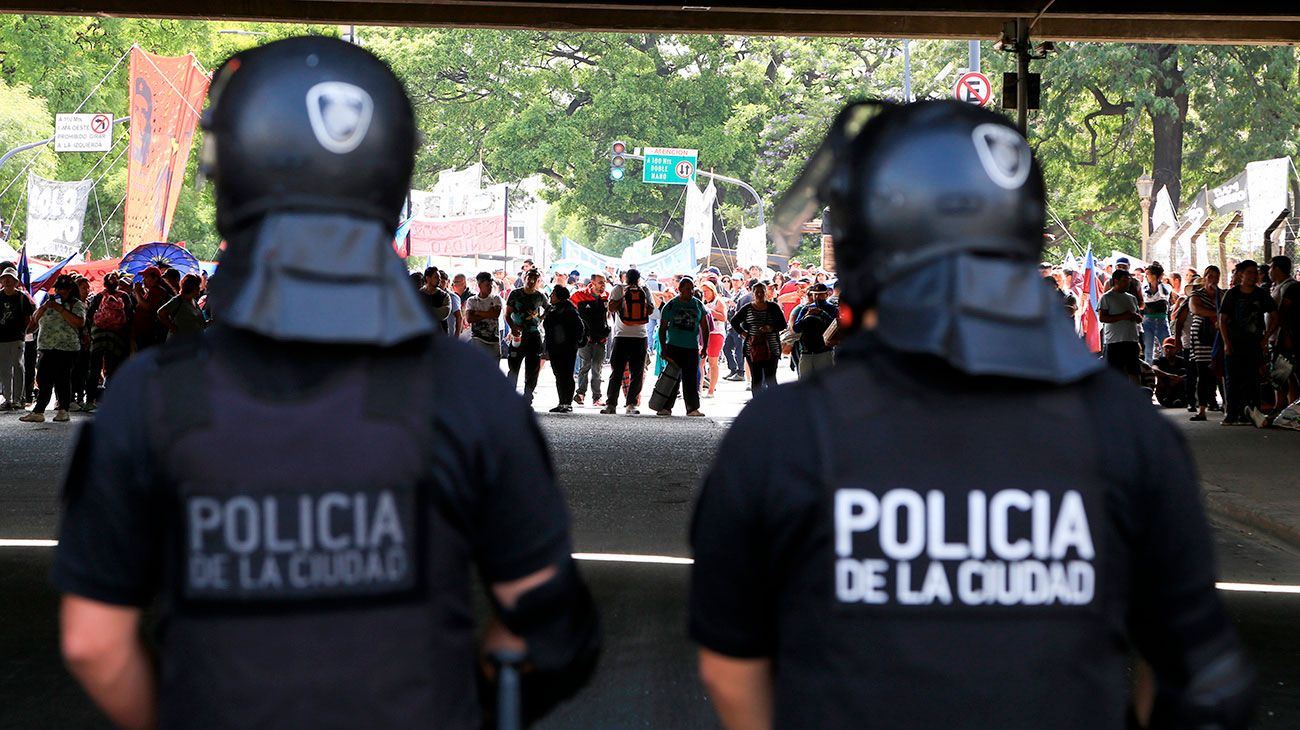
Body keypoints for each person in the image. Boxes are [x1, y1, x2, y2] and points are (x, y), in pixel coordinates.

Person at [53, 36, 598, 730]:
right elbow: (552, 628)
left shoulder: (153, 397)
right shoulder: (462, 390)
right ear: (393, 174)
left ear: (228, 174)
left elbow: (93, 643)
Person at [691, 100, 1253, 730]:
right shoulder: (1129, 432)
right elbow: (1196, 674)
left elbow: (731, 665)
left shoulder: (781, 435)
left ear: (870, 242)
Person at [20, 274, 85, 423]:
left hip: (66, 348)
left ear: (71, 290)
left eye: (64, 289)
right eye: (58, 289)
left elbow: (79, 322)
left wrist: (61, 309)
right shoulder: (48, 304)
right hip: (46, 346)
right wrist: (44, 308)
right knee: (43, 378)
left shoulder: (76, 304)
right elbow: (33, 323)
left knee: (62, 379)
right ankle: (39, 412)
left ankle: (63, 410)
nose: (60, 291)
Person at [1218, 259, 1276, 425]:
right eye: (1249, 272)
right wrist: (1226, 342)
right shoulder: (1232, 294)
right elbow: (1222, 320)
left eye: (1255, 273)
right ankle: (1231, 413)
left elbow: (1275, 316)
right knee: (1233, 379)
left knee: (1253, 379)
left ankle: (1253, 413)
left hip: (1254, 343)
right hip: (1234, 342)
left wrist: (1265, 339)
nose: (1253, 276)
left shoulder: (1261, 294)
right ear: (1241, 274)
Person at [657, 277, 711, 417]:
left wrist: (705, 347)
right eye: (687, 288)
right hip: (674, 346)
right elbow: (662, 329)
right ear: (680, 289)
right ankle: (666, 407)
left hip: (691, 348)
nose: (691, 291)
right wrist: (663, 348)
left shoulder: (698, 305)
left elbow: (705, 328)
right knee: (671, 379)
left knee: (691, 379)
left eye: (692, 288)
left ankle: (692, 408)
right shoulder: (671, 305)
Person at [603, 268, 653, 415]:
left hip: (621, 335)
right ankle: (631, 404)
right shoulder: (645, 289)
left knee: (616, 371)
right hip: (640, 336)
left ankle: (611, 404)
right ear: (639, 279)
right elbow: (650, 310)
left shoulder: (618, 289)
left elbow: (611, 308)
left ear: (625, 278)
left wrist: (623, 297)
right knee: (637, 372)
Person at [84, 271, 134, 411]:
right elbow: (130, 316)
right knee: (113, 369)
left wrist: (90, 332)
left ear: (104, 283)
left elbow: (89, 315)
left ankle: (90, 400)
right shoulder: (124, 296)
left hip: (98, 336)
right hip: (116, 337)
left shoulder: (99, 296)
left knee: (94, 368)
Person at [730, 280, 786, 392]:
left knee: (771, 378)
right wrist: (743, 333)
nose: (759, 294)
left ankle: (775, 404)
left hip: (772, 347)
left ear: (766, 293)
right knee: (756, 379)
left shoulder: (773, 307)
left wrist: (771, 328)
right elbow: (734, 321)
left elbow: (783, 324)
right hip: (753, 348)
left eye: (762, 291)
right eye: (757, 292)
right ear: (753, 293)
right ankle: (757, 405)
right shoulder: (747, 308)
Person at [505, 268, 548, 406]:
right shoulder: (515, 294)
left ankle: (528, 396)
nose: (531, 281)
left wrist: (540, 319)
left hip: (534, 335)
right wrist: (513, 327)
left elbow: (548, 309)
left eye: (535, 279)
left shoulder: (540, 296)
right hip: (518, 335)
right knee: (513, 367)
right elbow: (507, 314)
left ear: (538, 281)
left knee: (533, 368)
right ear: (524, 278)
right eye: (529, 278)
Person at [1188, 266, 1224, 421]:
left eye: (1216, 276)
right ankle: (1202, 409)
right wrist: (1216, 315)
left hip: (1218, 335)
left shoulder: (1222, 294)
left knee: (1220, 371)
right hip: (1201, 336)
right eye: (1210, 276)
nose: (1213, 279)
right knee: (1203, 372)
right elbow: (1196, 309)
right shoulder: (1196, 294)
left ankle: (1226, 406)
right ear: (1205, 277)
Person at [543, 284, 584, 413]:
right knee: (559, 375)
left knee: (566, 374)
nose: (550, 296)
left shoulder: (569, 309)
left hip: (566, 348)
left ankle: (567, 402)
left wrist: (572, 341)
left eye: (553, 294)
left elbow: (579, 328)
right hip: (555, 347)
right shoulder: (552, 309)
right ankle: (562, 402)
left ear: (559, 296)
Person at [1098, 268, 1143, 385]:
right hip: (1114, 341)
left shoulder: (1132, 298)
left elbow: (1137, 317)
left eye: (1128, 280)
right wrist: (1123, 316)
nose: (1127, 283)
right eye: (1124, 280)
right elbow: (1103, 318)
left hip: (1131, 339)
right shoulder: (1106, 297)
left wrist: (1136, 318)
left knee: (1134, 371)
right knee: (1114, 373)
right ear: (1116, 281)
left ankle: (1136, 398)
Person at [571, 272, 610, 407]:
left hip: (601, 338)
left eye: (604, 282)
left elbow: (609, 314)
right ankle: (580, 394)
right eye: (600, 282)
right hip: (585, 339)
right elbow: (570, 311)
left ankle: (596, 398)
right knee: (585, 366)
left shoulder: (606, 296)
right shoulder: (579, 295)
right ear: (592, 283)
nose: (603, 285)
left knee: (597, 368)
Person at [0, 266, 35, 409]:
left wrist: (24, 333)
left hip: (17, 338)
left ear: (16, 282)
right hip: (1, 338)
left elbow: (30, 318)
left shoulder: (22, 297)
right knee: (3, 369)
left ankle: (18, 399)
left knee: (18, 367)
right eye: (4, 278)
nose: (7, 281)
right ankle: (7, 399)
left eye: (10, 278)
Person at [792, 282, 837, 377]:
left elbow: (834, 327)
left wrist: (822, 314)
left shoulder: (831, 309)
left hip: (824, 351)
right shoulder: (806, 309)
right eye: (815, 294)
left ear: (826, 294)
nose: (817, 297)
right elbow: (796, 328)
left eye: (820, 294)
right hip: (806, 351)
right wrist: (806, 316)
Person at [463, 271, 503, 360]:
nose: (490, 287)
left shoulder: (496, 298)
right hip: (478, 339)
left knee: (494, 369)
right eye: (487, 285)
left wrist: (477, 312)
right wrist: (489, 314)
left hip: (494, 339)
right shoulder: (472, 300)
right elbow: (469, 318)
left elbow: (495, 314)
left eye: (491, 285)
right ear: (480, 285)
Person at [130, 266, 169, 351]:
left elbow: (148, 307)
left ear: (155, 278)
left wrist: (137, 292)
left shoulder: (157, 291)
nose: (143, 280)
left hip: (149, 334)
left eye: (146, 277)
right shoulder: (149, 291)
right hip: (142, 333)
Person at [158, 273, 208, 340]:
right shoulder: (178, 300)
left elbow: (200, 322)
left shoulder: (194, 301)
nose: (200, 288)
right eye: (198, 286)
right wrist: (172, 327)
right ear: (193, 287)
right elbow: (160, 312)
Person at [1141, 262, 1172, 363]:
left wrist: (1157, 284)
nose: (1146, 277)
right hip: (1147, 320)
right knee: (1148, 349)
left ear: (1154, 275)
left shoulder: (1166, 287)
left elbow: (1160, 296)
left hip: (1161, 320)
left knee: (1167, 347)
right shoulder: (1145, 288)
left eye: (1148, 274)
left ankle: (1166, 369)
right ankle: (1148, 371)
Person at [1150, 337, 1189, 408]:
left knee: (1183, 371)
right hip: (1165, 390)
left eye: (1171, 348)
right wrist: (1168, 375)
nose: (1168, 350)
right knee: (1160, 375)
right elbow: (1154, 368)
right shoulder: (1159, 360)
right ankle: (1168, 399)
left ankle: (1180, 399)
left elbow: (1191, 372)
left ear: (1176, 349)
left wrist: (1180, 378)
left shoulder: (1182, 361)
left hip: (1179, 388)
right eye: (1166, 348)